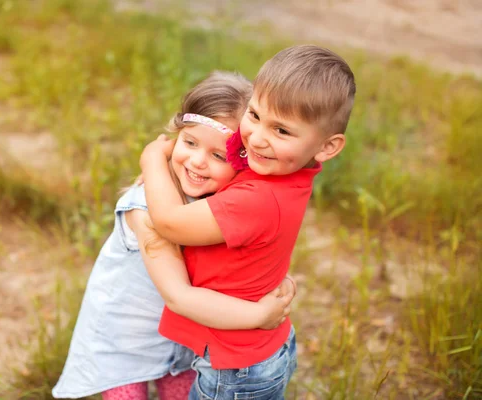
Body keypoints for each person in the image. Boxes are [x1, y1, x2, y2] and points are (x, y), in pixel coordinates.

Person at [52, 71, 298, 400]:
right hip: (125, 344)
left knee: (180, 394)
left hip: (182, 343)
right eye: (190, 142)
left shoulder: (225, 203)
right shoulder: (145, 210)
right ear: (175, 136)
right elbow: (177, 294)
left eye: (218, 155)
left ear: (243, 162)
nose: (197, 161)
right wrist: (258, 315)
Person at [140, 45, 356, 399]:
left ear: (327, 147)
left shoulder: (257, 199)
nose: (256, 138)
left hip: (236, 367)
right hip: (259, 351)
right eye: (254, 115)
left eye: (282, 131)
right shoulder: (284, 172)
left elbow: (169, 222)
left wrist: (152, 159)